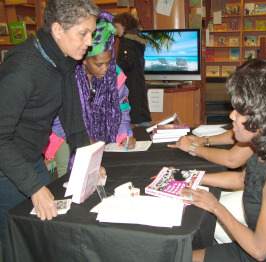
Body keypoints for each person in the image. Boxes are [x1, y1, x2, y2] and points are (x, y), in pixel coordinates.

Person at [181, 65, 266, 261]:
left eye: (240, 111)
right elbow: (243, 178)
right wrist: (192, 177)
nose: (232, 115)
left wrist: (216, 206)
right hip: (250, 249)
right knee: (178, 255)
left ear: (265, 119)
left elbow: (259, 250)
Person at [0, 0, 100, 258]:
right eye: (83, 33)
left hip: (30, 158)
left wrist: (90, 162)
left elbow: (73, 121)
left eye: (91, 33)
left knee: (50, 231)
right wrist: (34, 188)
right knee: (21, 240)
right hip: (5, 164)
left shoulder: (63, 60)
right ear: (57, 30)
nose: (89, 42)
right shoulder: (22, 68)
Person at [49, 10, 136, 177]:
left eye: (108, 63)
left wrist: (125, 134)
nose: (105, 70)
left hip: (102, 138)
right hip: (66, 136)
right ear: (84, 59)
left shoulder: (114, 74)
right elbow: (57, 118)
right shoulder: (67, 76)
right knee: (68, 180)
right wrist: (83, 140)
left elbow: (122, 108)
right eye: (98, 64)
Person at [113, 12, 152, 127]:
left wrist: (113, 68)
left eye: (116, 27)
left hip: (130, 83)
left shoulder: (127, 40)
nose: (115, 30)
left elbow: (125, 63)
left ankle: (144, 138)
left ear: (123, 25)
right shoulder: (137, 39)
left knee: (137, 116)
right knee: (140, 113)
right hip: (137, 80)